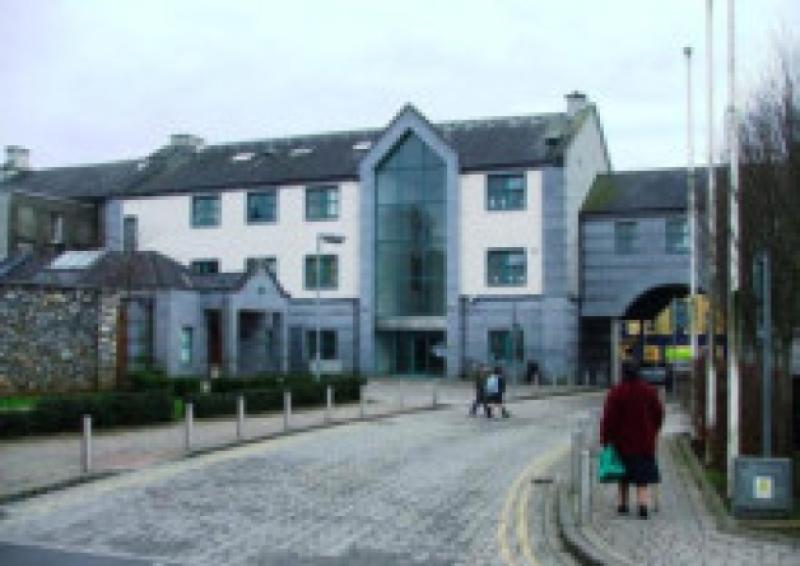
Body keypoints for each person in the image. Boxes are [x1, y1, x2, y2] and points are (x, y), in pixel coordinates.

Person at [600, 360, 664, 519]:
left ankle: (623, 504)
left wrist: (605, 438)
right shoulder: (649, 391)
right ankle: (643, 505)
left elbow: (608, 418)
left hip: (621, 442)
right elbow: (659, 413)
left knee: (623, 473)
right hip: (644, 441)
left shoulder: (616, 392)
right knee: (642, 475)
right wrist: (653, 430)